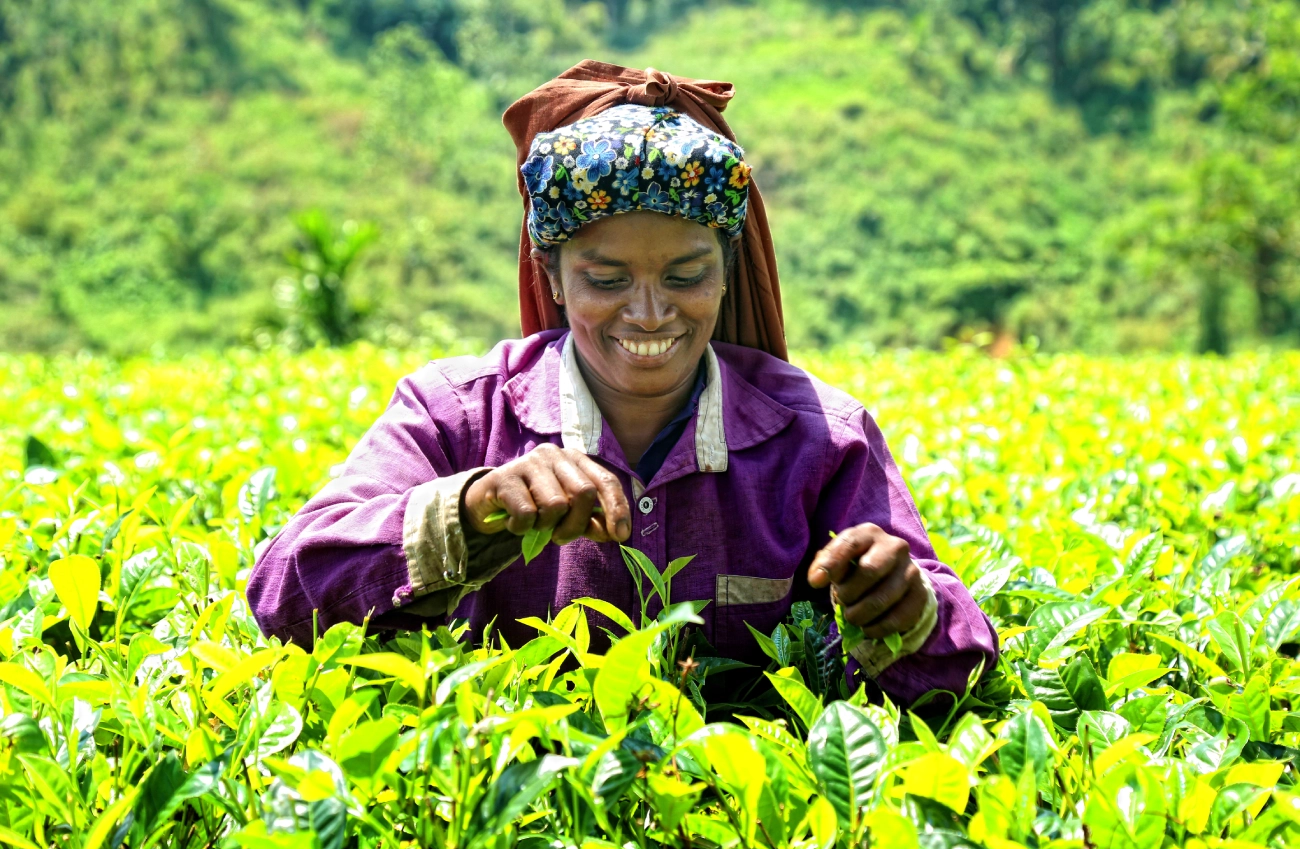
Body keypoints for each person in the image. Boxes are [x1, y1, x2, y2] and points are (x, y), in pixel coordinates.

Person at [246, 61, 998, 707]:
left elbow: (960, 667)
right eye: (606, 279)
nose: (649, 312)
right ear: (552, 277)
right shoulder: (455, 415)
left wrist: (907, 609)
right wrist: (471, 510)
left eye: (686, 275)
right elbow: (284, 588)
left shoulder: (821, 440)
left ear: (727, 271)